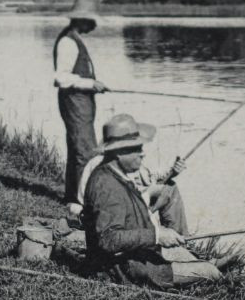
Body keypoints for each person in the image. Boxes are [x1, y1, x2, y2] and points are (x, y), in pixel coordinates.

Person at [77, 114, 220, 289]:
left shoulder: (115, 175)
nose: (142, 154)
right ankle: (208, 269)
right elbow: (108, 239)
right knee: (210, 272)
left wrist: (158, 235)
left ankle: (199, 265)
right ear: (120, 152)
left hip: (134, 257)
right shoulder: (106, 185)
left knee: (183, 253)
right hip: (122, 269)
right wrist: (157, 235)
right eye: (137, 149)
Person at [53, 0, 109, 207]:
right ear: (82, 20)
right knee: (84, 150)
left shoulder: (75, 39)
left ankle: (72, 198)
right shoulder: (68, 42)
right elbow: (60, 78)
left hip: (81, 101)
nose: (93, 25)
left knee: (77, 147)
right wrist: (90, 84)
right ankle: (81, 202)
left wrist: (93, 85)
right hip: (74, 101)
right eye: (90, 21)